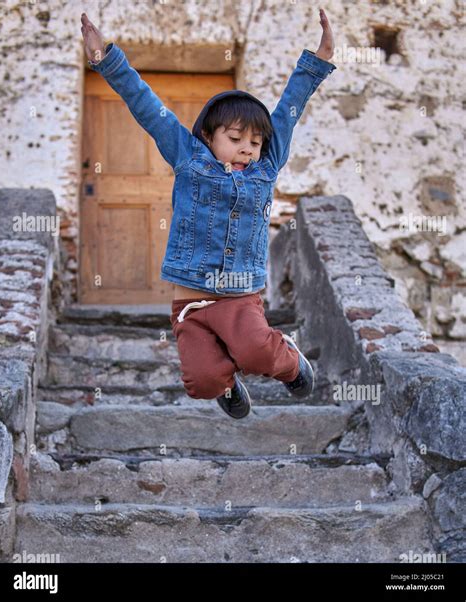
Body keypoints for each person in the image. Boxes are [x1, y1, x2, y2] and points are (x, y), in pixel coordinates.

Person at [81, 9, 336, 419]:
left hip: (239, 295)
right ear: (208, 136)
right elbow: (146, 106)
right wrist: (104, 59)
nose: (247, 149)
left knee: (255, 351)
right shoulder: (188, 157)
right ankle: (224, 382)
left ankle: (290, 362)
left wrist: (319, 60)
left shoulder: (265, 167)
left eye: (254, 142)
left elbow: (291, 106)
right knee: (201, 382)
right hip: (190, 301)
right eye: (236, 139)